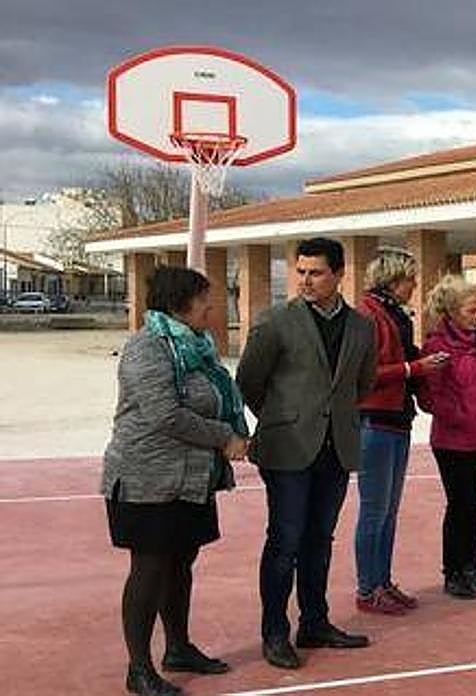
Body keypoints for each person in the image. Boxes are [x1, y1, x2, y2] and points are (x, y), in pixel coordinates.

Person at [100, 266, 250, 696]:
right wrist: (225, 437)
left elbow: (215, 399)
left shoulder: (197, 346)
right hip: (148, 479)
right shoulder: (147, 348)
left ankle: (179, 647)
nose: (212, 307)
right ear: (180, 305)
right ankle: (139, 668)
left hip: (191, 478)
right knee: (150, 568)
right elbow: (164, 414)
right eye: (205, 299)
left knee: (181, 562)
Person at [236, 237, 378, 670]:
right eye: (300, 272)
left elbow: (363, 383)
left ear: (338, 275)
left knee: (320, 540)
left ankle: (314, 622)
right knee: (285, 542)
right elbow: (248, 382)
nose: (305, 280)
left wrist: (333, 418)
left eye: (315, 273)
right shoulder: (275, 322)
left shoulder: (361, 327)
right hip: (287, 450)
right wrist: (285, 417)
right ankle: (274, 632)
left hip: (337, 448)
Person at [353, 248, 446, 615]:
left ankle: (382, 581)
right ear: (393, 280)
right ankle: (366, 589)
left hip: (396, 420)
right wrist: (413, 368)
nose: (414, 286)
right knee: (374, 510)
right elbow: (364, 374)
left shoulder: (394, 315)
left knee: (389, 511)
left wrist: (421, 370)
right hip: (373, 421)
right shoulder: (367, 316)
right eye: (410, 279)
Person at [416, 274, 476, 599]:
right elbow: (429, 396)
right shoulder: (437, 347)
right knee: (459, 504)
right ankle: (453, 570)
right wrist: (459, 416)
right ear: (452, 312)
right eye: (471, 310)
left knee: (475, 503)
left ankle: (473, 562)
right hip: (453, 440)